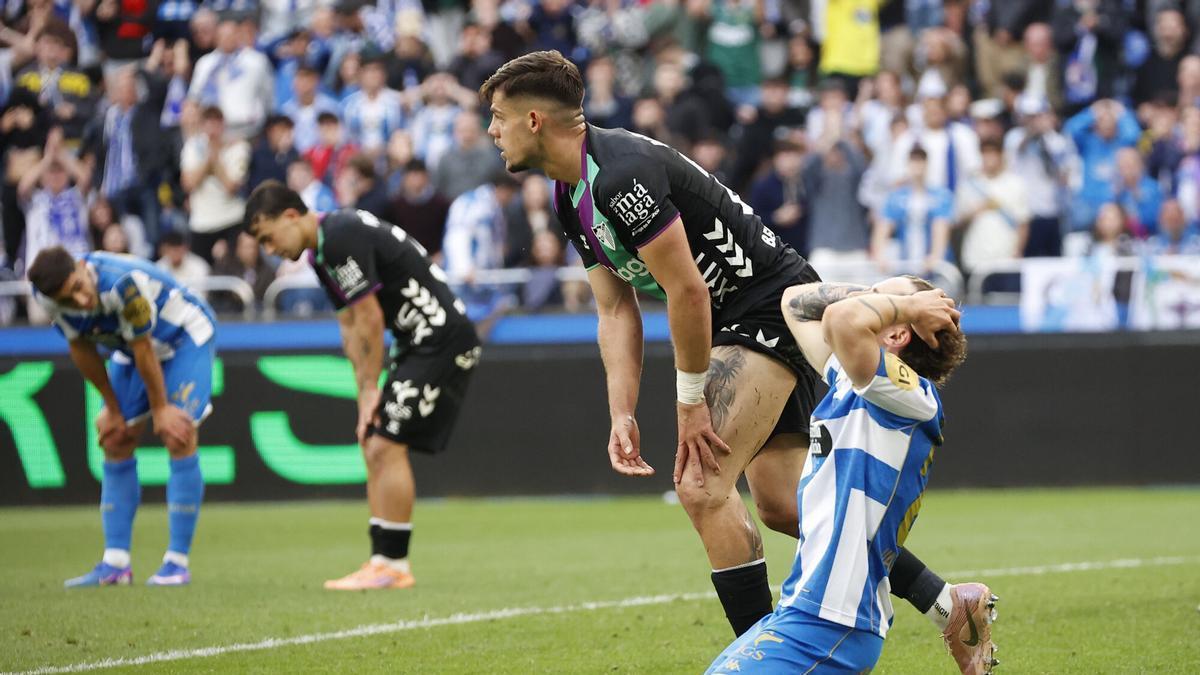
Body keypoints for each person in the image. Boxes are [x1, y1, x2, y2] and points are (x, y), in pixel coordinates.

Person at [480, 54, 991, 672]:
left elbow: (688, 292)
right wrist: (621, 411)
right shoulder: (571, 196)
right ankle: (948, 601)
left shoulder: (621, 175)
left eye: (499, 117)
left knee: (700, 484)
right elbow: (615, 310)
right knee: (780, 505)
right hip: (746, 319)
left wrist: (690, 402)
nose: (492, 130)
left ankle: (764, 661)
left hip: (768, 310)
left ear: (534, 120)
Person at [705, 276, 990, 673]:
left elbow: (839, 318)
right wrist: (898, 303)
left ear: (897, 336)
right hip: (807, 612)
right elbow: (793, 303)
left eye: (882, 296)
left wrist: (903, 306)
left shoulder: (911, 396)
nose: (868, 298)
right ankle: (950, 603)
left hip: (833, 622)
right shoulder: (853, 381)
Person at [242, 180, 481, 590]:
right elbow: (350, 324)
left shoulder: (339, 237)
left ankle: (392, 565)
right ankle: (382, 562)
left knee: (385, 444)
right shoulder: (323, 251)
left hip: (441, 339)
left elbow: (369, 318)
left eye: (268, 238)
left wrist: (371, 388)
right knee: (374, 439)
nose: (269, 250)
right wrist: (363, 393)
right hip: (418, 342)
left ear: (291, 216)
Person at [26, 246, 216, 587]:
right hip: (130, 348)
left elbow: (145, 348)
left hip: (183, 337)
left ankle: (176, 563)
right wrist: (112, 410)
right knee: (115, 438)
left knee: (177, 433)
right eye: (69, 298)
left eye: (80, 287)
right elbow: (81, 349)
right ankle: (115, 564)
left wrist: (160, 410)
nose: (82, 301)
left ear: (83, 267)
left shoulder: (123, 284)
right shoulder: (48, 297)